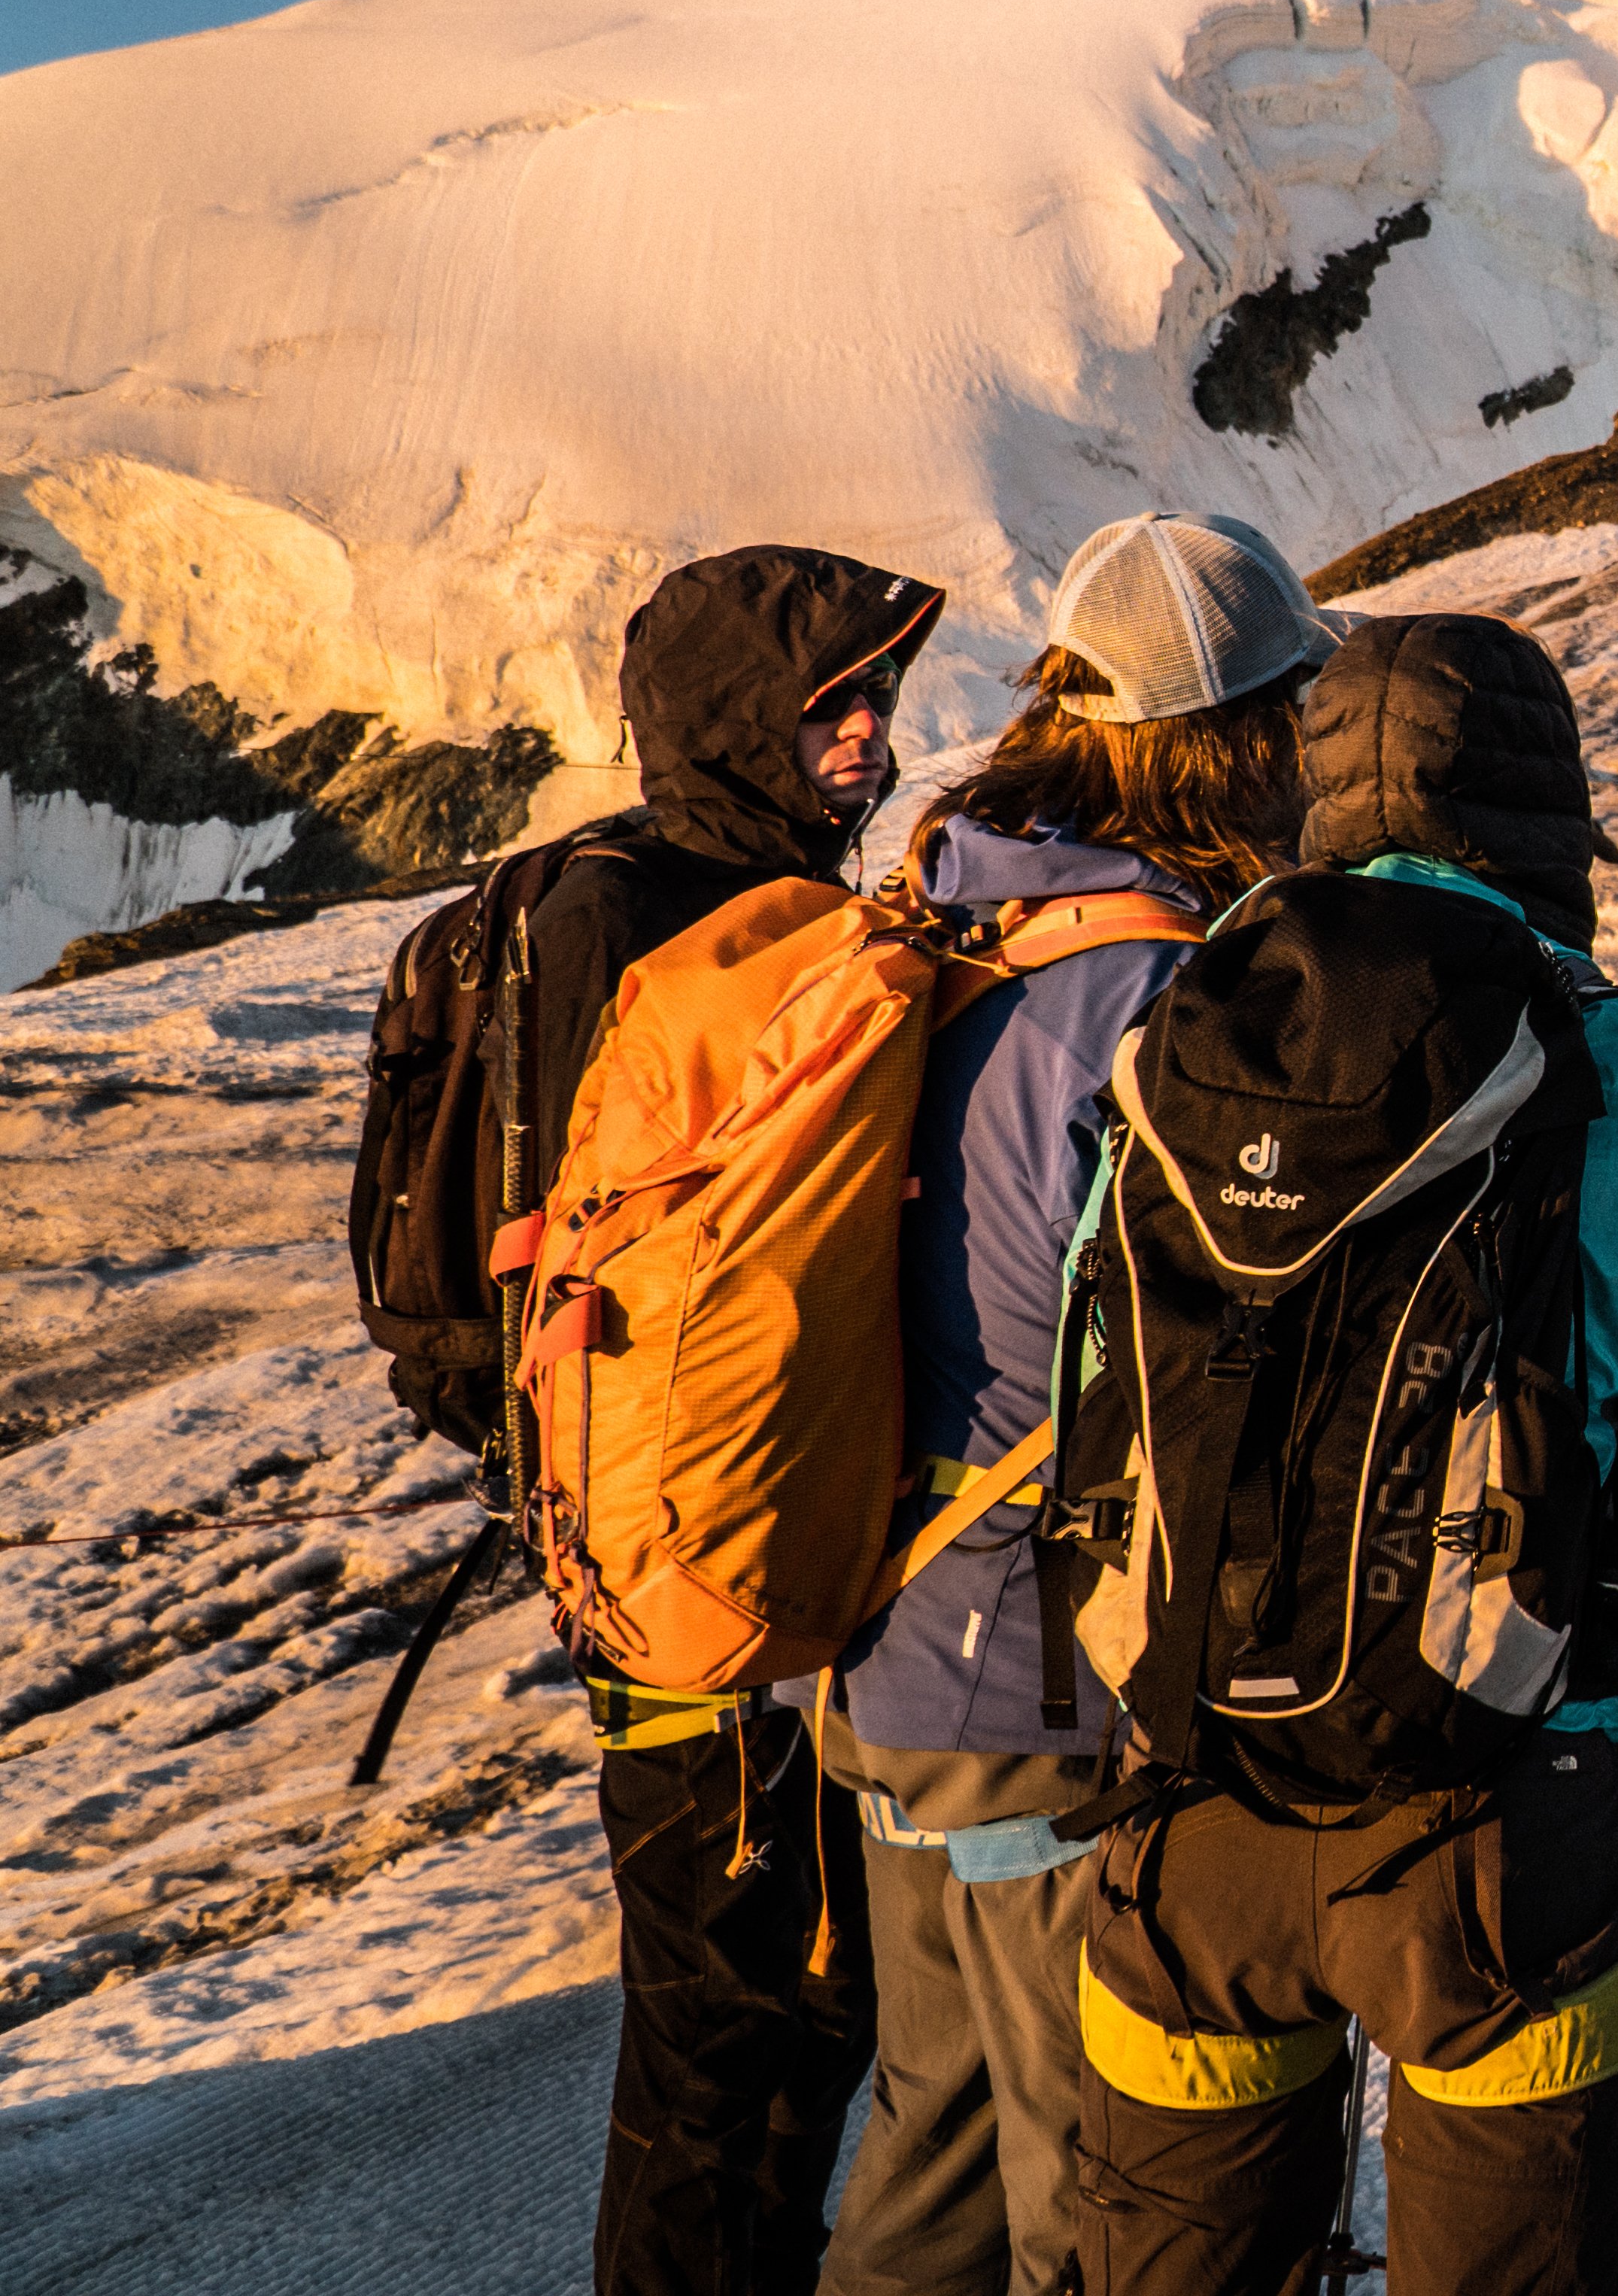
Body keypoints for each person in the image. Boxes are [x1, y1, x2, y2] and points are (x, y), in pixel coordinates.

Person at [1071, 607, 1618, 2296]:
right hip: (1504, 1820)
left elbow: (1093, 1372)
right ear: (1552, 823)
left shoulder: (1183, 1040)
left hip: (1192, 1813)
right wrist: (1572, 1646)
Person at [815, 515, 1339, 2296]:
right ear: (1230, 733)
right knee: (1096, 2209)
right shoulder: (1157, 991)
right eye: (1290, 718)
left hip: (892, 1642)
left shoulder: (955, 905)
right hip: (1041, 1671)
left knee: (930, 2164)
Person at [536, 544, 943, 2296]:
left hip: (734, 1537)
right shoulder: (658, 925)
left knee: (796, 1998)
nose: (869, 737)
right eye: (829, 707)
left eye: (875, 703)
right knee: (723, 2021)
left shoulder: (715, 895)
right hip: (686, 1557)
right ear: (735, 725)